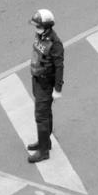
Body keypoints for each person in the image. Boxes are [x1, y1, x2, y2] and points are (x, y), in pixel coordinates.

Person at [27, 9, 64, 163]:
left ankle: (43, 152)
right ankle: (45, 142)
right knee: (45, 114)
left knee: (41, 116)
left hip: (46, 83)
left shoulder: (55, 43)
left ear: (47, 26)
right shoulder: (40, 35)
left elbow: (59, 66)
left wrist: (57, 89)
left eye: (39, 26)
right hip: (37, 79)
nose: (36, 28)